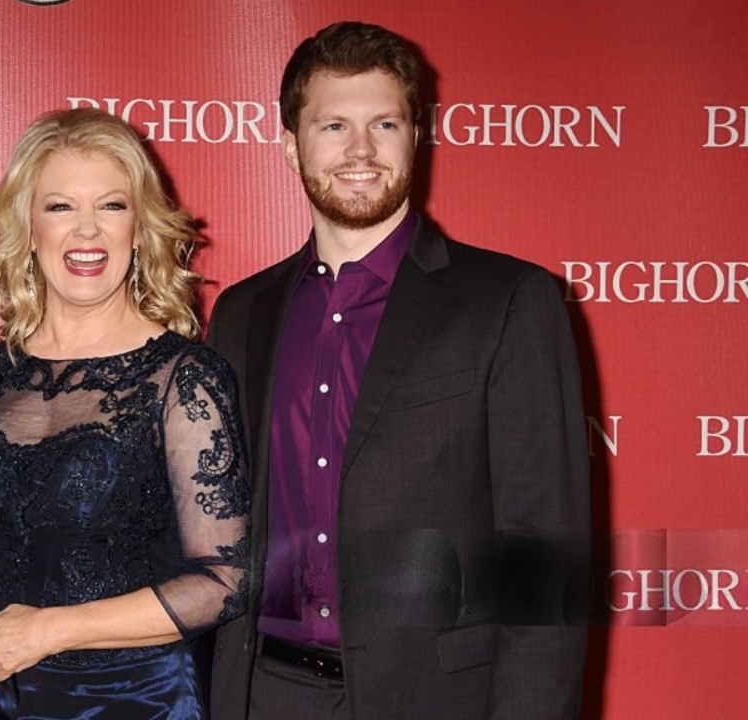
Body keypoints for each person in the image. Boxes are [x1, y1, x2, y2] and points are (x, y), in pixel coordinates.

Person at [205, 21, 591, 720]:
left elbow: (544, 558)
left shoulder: (507, 302)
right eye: (333, 127)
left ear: (416, 136)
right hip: (264, 694)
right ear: (290, 146)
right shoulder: (241, 312)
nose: (359, 150)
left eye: (384, 123)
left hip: (438, 698)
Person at [0, 107, 249, 719]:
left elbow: (224, 583)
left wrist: (52, 630)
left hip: (134, 698)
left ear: (141, 226)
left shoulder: (182, 379)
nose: (87, 232)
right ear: (27, 225)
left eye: (111, 206)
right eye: (60, 207)